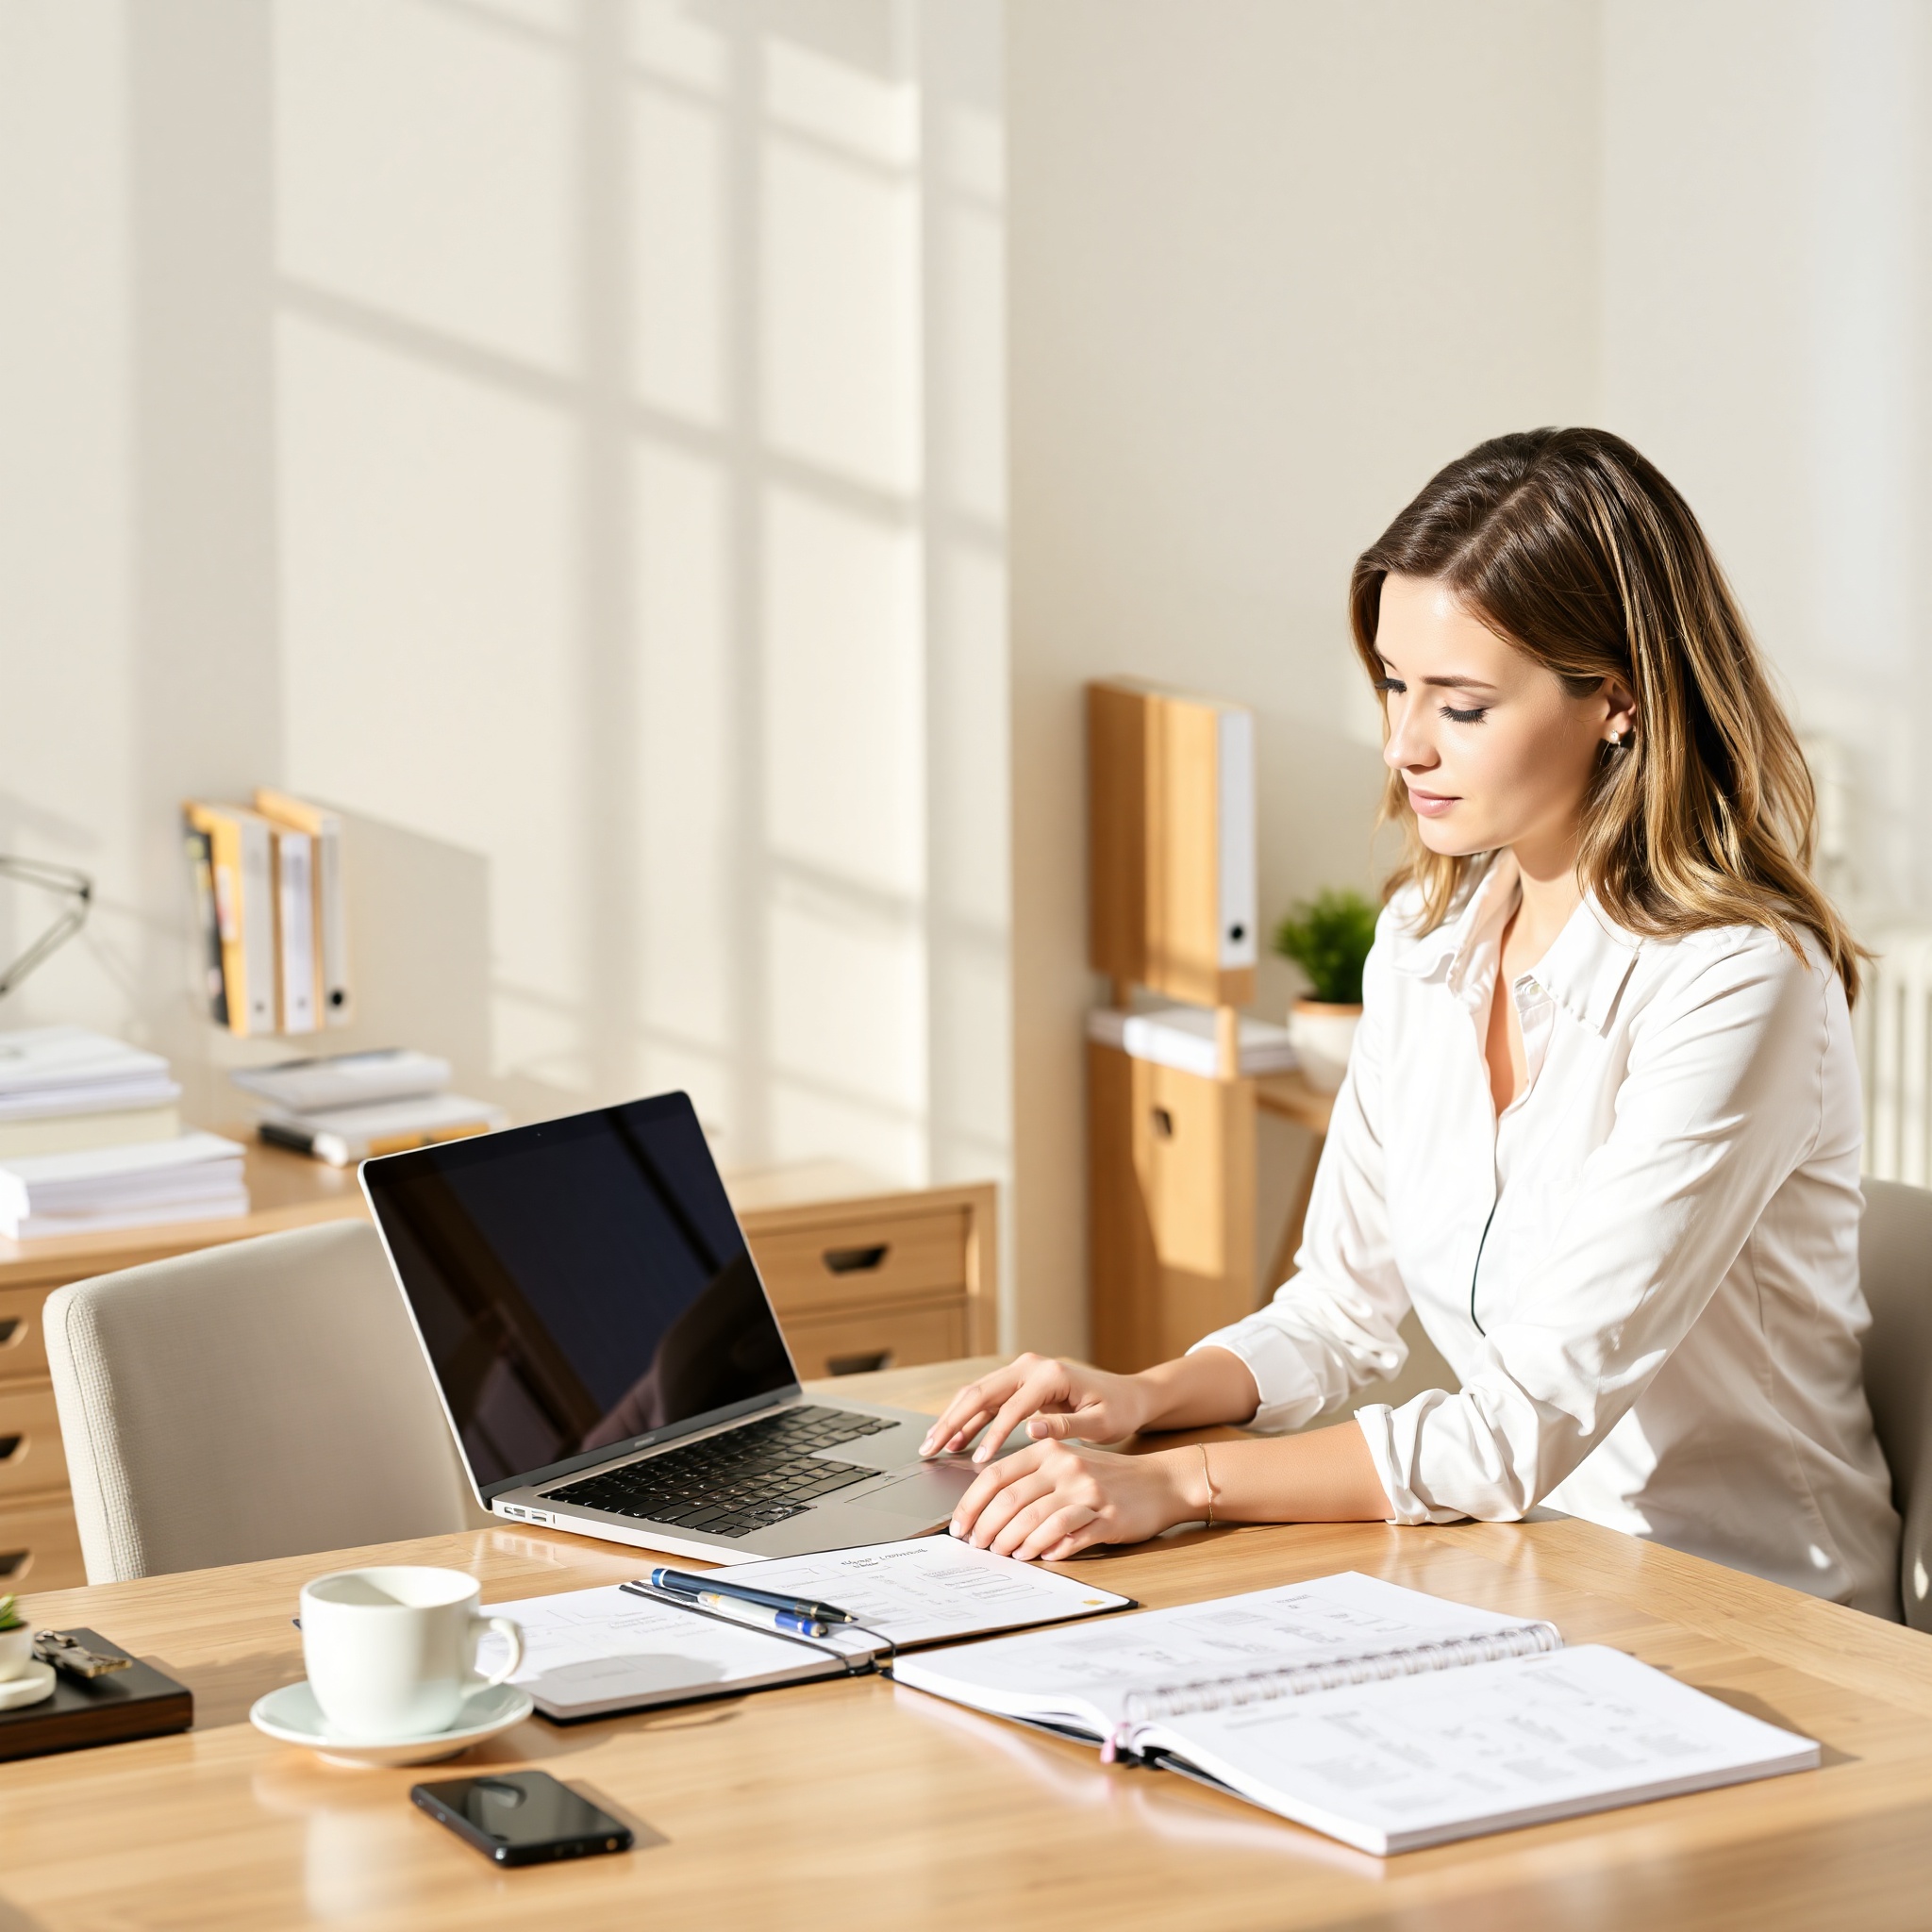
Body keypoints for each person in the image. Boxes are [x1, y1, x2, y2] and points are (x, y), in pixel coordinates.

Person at [924, 426, 1902, 1617]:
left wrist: (1175, 1480)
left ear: (1617, 702)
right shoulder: (1425, 945)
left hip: (1756, 1616)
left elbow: (1513, 1428)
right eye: (1394, 683)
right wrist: (1144, 1396)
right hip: (1539, 1566)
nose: (1403, 744)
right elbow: (1336, 1312)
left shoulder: (1736, 982)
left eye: (1463, 703)